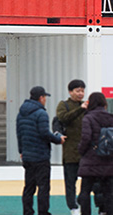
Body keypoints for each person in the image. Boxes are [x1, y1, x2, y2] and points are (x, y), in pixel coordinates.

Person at [16, 86, 65, 215]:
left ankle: (27, 212)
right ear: (41, 98)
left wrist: (21, 150)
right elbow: (44, 133)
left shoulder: (21, 113)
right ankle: (43, 212)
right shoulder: (41, 113)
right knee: (43, 187)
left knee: (29, 187)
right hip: (40, 156)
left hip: (27, 155)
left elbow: (19, 133)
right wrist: (58, 140)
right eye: (45, 97)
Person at [77, 92, 113, 215]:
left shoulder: (88, 118)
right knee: (109, 192)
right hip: (108, 160)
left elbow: (86, 138)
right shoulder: (110, 117)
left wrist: (81, 151)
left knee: (85, 191)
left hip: (90, 160)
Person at [57, 79, 88, 215]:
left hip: (86, 152)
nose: (81, 93)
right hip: (70, 152)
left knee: (88, 182)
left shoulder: (86, 106)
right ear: (70, 92)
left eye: (82, 90)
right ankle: (73, 207)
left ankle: (81, 202)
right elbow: (63, 118)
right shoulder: (63, 105)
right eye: (77, 91)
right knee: (70, 183)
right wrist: (79, 110)